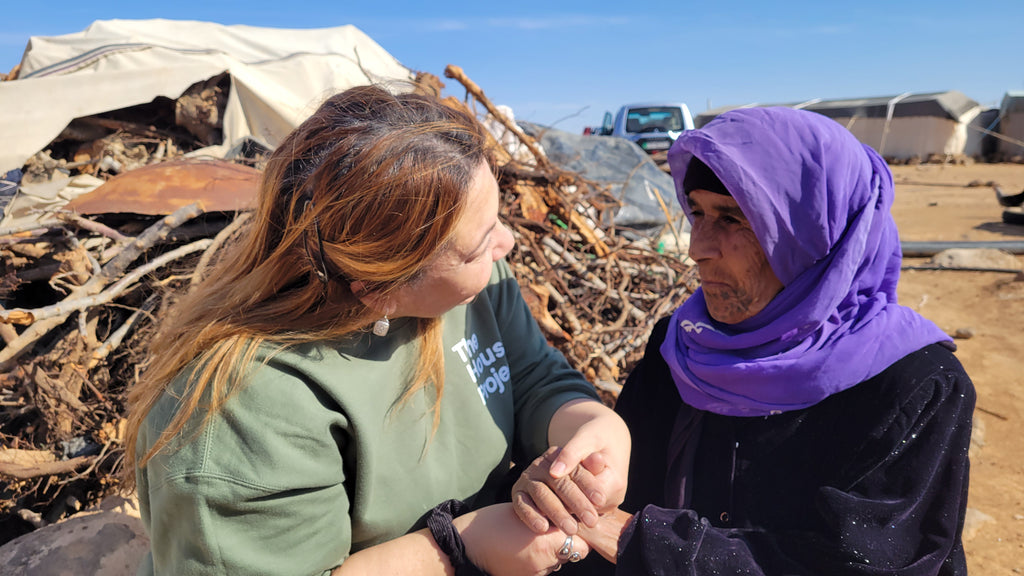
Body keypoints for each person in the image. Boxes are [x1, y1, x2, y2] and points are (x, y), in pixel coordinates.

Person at [122, 85, 630, 576]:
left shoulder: (471, 287)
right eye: (477, 247)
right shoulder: (242, 415)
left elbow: (534, 376)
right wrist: (461, 547)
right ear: (376, 285)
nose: (509, 241)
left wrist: (591, 428)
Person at [552, 106, 975, 575]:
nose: (697, 248)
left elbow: (863, 563)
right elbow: (613, 506)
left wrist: (643, 542)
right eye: (697, 212)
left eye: (733, 218)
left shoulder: (915, 386)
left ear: (816, 234)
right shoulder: (681, 350)